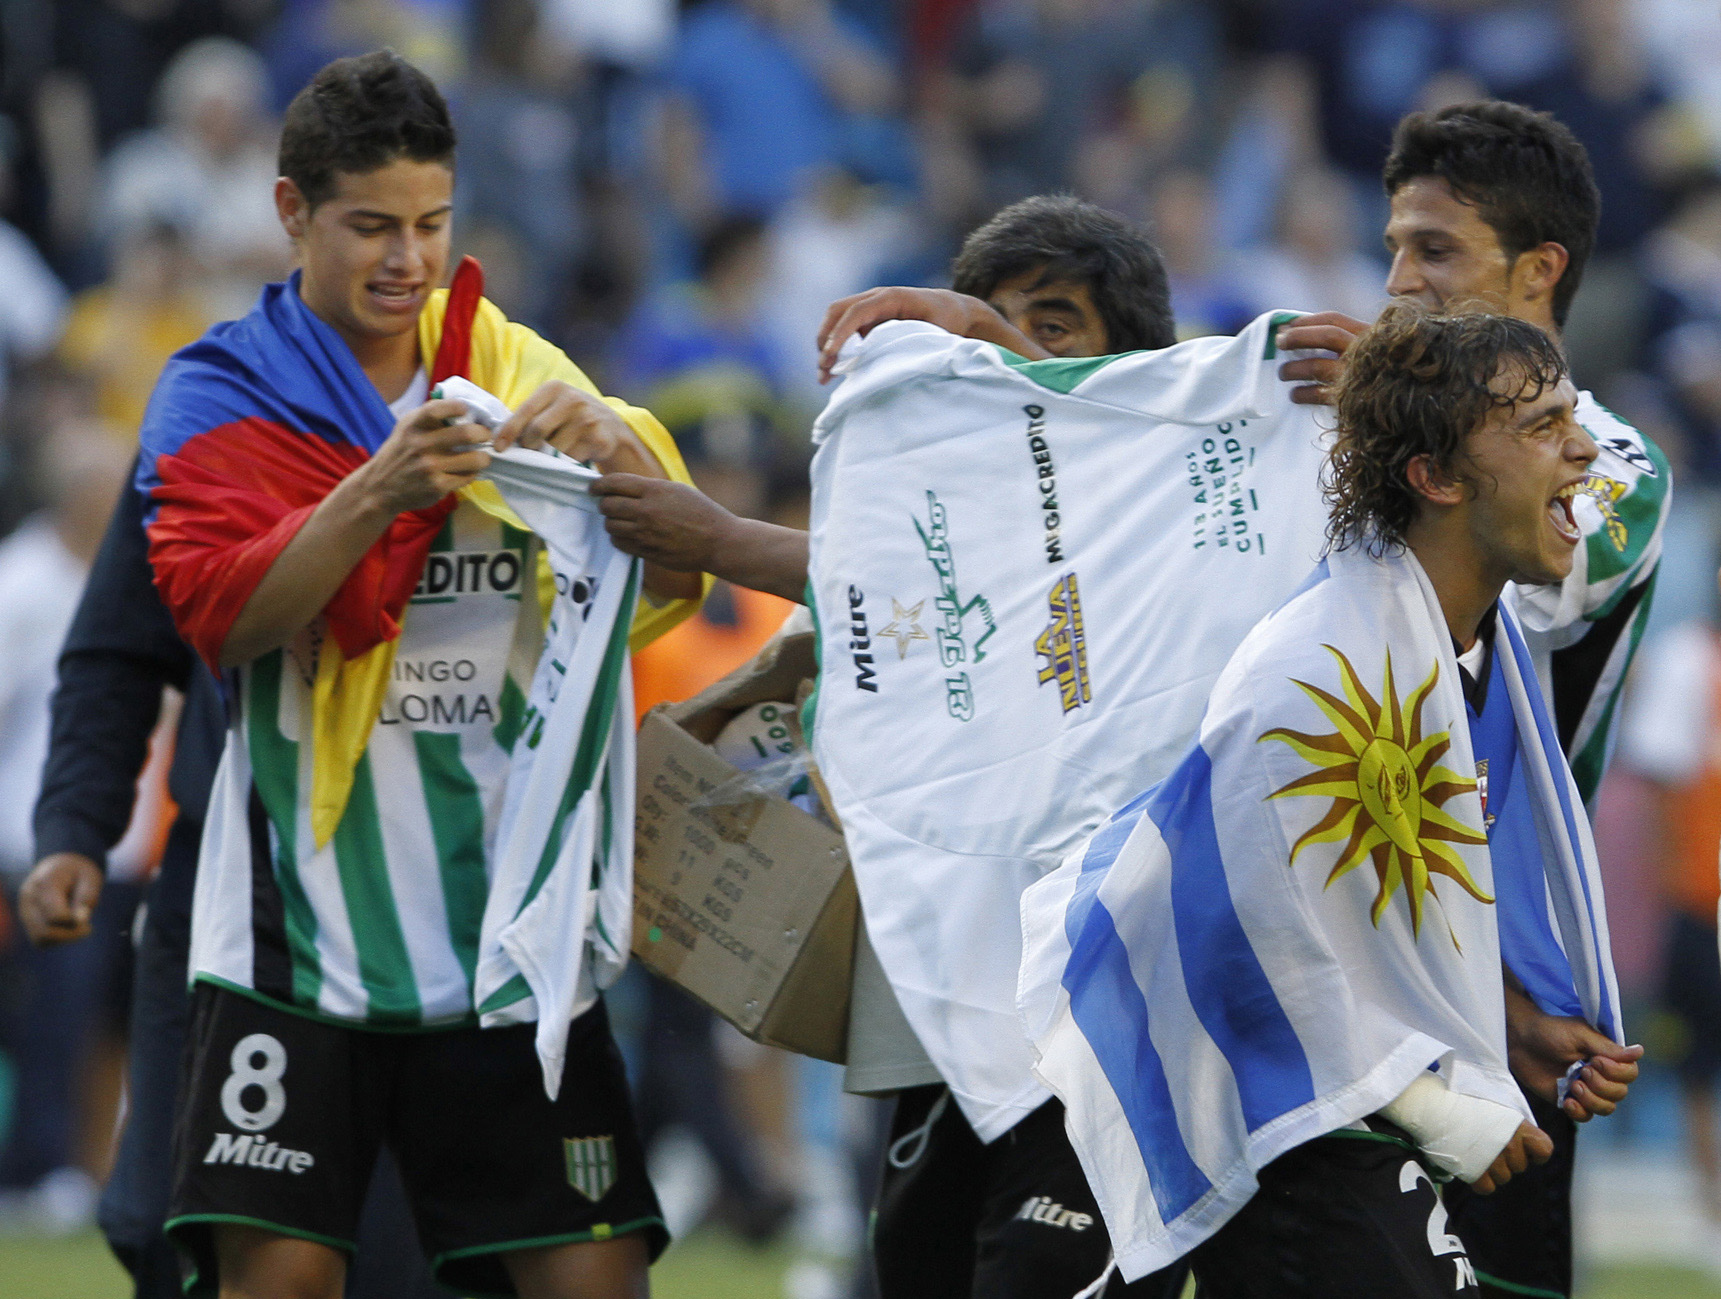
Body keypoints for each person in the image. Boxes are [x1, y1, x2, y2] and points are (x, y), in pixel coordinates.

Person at [92, 50, 698, 1299]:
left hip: (507, 930)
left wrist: (619, 448)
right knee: (283, 1286)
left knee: (592, 1285)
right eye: (369, 225)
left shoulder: (518, 370)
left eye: (430, 225)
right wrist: (378, 486)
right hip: (291, 932)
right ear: (290, 212)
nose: (404, 259)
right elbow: (225, 620)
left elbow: (675, 575)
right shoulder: (217, 394)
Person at [1018, 306, 1632, 1297]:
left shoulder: (1462, 645)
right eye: (1536, 426)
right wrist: (1438, 1110)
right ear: (1433, 477)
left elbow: (1365, 906)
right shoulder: (1315, 671)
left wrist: (1508, 1020)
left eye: (1571, 416)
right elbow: (1234, 928)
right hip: (1290, 1129)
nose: (1579, 449)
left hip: (1340, 1121)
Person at [1275, 100, 1662, 1299]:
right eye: (1391, 247)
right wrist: (991, 363)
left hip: (1502, 997)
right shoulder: (1339, 428)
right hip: (1322, 957)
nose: (1395, 282)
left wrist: (1404, 425)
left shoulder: (1609, 467)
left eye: (1433, 252)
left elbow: (1535, 566)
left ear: (1536, 270)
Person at [591, 192, 1173, 603]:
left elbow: (916, 592)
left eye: (1049, 330)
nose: (1001, 356)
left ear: (1134, 361)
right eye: (991, 327)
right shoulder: (955, 463)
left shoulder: (1163, 476)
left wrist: (722, 540)